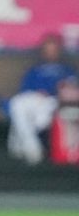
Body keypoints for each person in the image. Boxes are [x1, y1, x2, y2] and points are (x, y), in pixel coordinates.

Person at [8, 34, 76, 165]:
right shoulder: (35, 69)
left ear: (59, 50)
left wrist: (54, 91)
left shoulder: (67, 70)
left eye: (53, 49)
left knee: (37, 120)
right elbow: (24, 90)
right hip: (34, 100)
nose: (50, 53)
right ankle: (32, 149)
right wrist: (37, 92)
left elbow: (72, 90)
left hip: (54, 102)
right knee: (17, 104)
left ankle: (24, 145)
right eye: (48, 49)